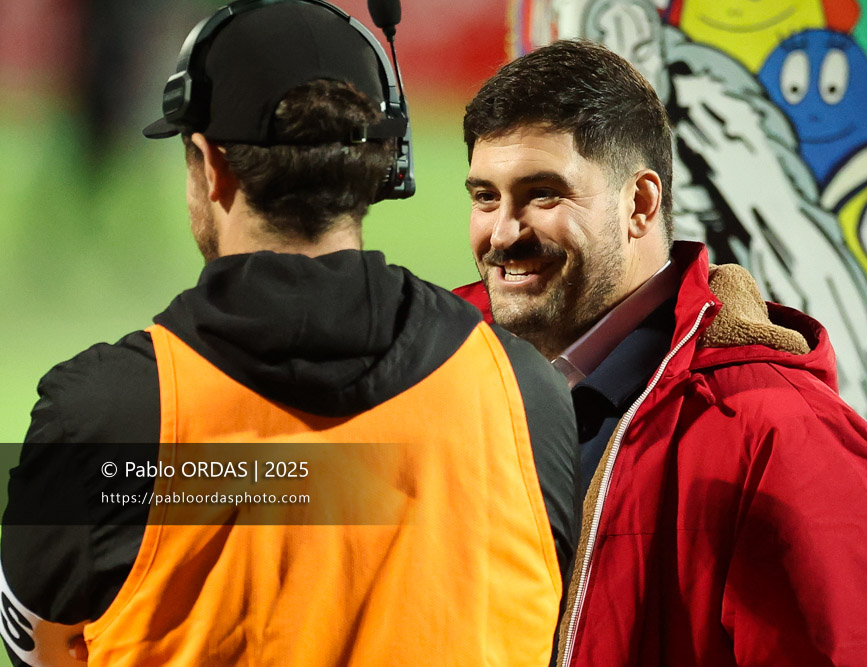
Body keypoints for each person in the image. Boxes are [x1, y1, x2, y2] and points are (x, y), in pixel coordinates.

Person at [1, 2, 579, 666]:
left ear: (211, 167)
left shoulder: (103, 416)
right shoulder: (527, 394)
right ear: (385, 165)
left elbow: (41, 651)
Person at [457, 39, 867, 666]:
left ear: (640, 204)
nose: (503, 233)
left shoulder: (785, 434)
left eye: (543, 195)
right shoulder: (440, 377)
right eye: (486, 197)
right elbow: (303, 515)